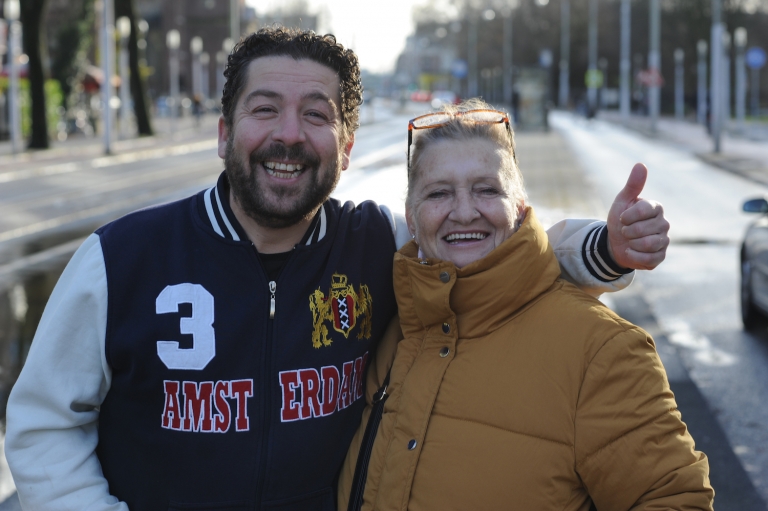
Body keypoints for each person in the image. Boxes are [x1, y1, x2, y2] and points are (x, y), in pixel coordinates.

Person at [6, 28, 670, 511]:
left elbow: (497, 245)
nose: (289, 134)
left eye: (316, 115)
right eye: (265, 108)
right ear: (223, 133)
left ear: (346, 147)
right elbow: (43, 426)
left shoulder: (378, 240)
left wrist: (605, 249)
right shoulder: (121, 259)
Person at [337, 99, 713, 511]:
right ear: (412, 216)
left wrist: (605, 249)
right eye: (439, 193)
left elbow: (676, 500)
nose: (464, 212)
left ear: (518, 209)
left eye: (487, 190)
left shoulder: (602, 351)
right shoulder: (397, 326)